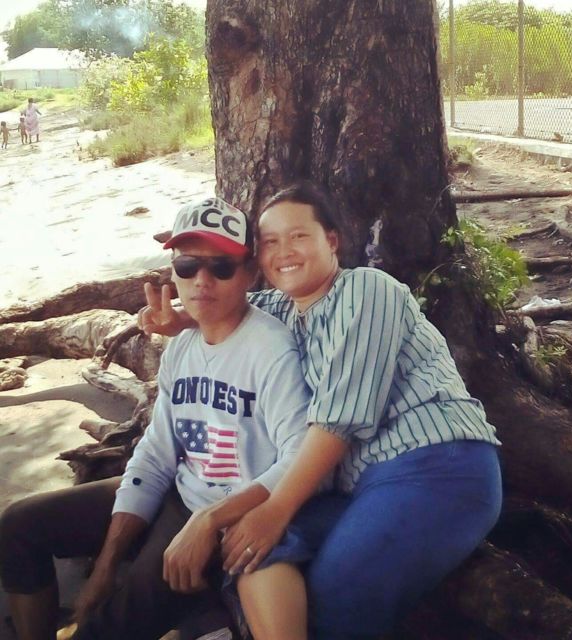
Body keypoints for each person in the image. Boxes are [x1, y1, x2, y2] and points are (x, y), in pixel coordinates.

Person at [140, 181, 503, 639]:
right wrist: (180, 321)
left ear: (332, 240)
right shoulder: (282, 308)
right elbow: (228, 304)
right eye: (270, 242)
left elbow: (337, 423)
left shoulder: (366, 290)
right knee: (250, 551)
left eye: (298, 236)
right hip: (356, 488)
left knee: (336, 593)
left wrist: (273, 510)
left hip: (435, 466)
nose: (284, 252)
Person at [0, 196, 333, 640]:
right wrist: (107, 562)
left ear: (250, 273)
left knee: (104, 626)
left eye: (221, 267)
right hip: (179, 494)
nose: (201, 281)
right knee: (19, 526)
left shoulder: (271, 350)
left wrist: (211, 519)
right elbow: (156, 452)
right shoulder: (182, 347)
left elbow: (301, 458)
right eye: (187, 266)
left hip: (226, 517)